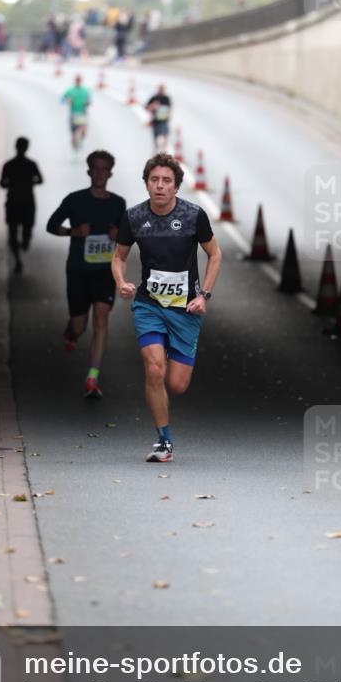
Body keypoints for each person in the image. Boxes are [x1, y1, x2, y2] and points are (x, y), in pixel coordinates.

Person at [112, 153, 222, 462]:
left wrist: (205, 295)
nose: (160, 186)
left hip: (185, 309)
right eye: (154, 180)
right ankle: (163, 441)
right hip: (148, 305)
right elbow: (118, 256)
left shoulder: (193, 216)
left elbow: (215, 254)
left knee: (177, 384)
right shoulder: (134, 217)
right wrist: (121, 281)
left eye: (166, 181)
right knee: (155, 368)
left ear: (176, 186)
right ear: (146, 183)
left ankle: (165, 434)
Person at [46, 150, 126, 399]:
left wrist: (118, 235)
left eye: (105, 169)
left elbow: (127, 236)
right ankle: (71, 331)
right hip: (79, 269)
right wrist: (74, 232)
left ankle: (92, 377)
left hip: (105, 271)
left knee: (101, 319)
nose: (100, 173)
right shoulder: (75, 200)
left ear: (110, 173)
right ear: (89, 171)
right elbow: (51, 226)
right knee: (80, 327)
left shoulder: (118, 203)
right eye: (95, 168)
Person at [0, 137, 44, 275]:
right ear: (26, 148)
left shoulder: (8, 165)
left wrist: (12, 184)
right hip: (27, 202)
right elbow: (40, 180)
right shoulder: (31, 164)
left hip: (13, 202)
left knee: (13, 233)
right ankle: (23, 245)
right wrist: (30, 182)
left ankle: (18, 259)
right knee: (27, 230)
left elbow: (2, 183)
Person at [62, 74, 92, 158]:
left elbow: (89, 101)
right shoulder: (70, 90)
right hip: (73, 114)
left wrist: (87, 103)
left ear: (81, 81)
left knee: (83, 132)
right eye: (77, 80)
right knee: (73, 134)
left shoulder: (86, 90)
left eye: (79, 80)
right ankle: (74, 151)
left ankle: (80, 141)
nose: (78, 81)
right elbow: (61, 100)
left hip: (82, 113)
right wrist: (67, 100)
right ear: (75, 81)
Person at [145, 83, 172, 152]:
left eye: (162, 89)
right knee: (156, 142)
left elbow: (169, 109)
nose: (161, 90)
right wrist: (153, 106)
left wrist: (168, 115)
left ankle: (164, 153)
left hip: (164, 122)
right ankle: (157, 155)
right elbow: (146, 108)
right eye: (160, 89)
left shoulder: (166, 98)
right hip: (155, 122)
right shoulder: (154, 98)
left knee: (163, 139)